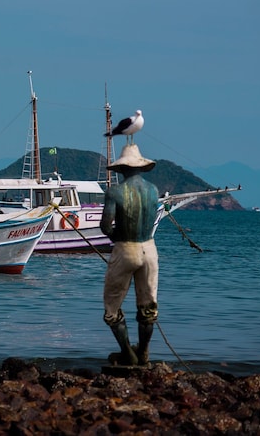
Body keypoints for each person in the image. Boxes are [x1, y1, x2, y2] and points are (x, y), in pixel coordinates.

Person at [100, 144, 159, 366]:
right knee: (148, 305)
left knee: (112, 306)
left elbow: (106, 226)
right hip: (150, 249)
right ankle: (143, 353)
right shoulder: (153, 190)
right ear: (141, 167)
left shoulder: (115, 192)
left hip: (126, 249)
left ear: (122, 168)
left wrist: (117, 239)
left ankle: (128, 353)